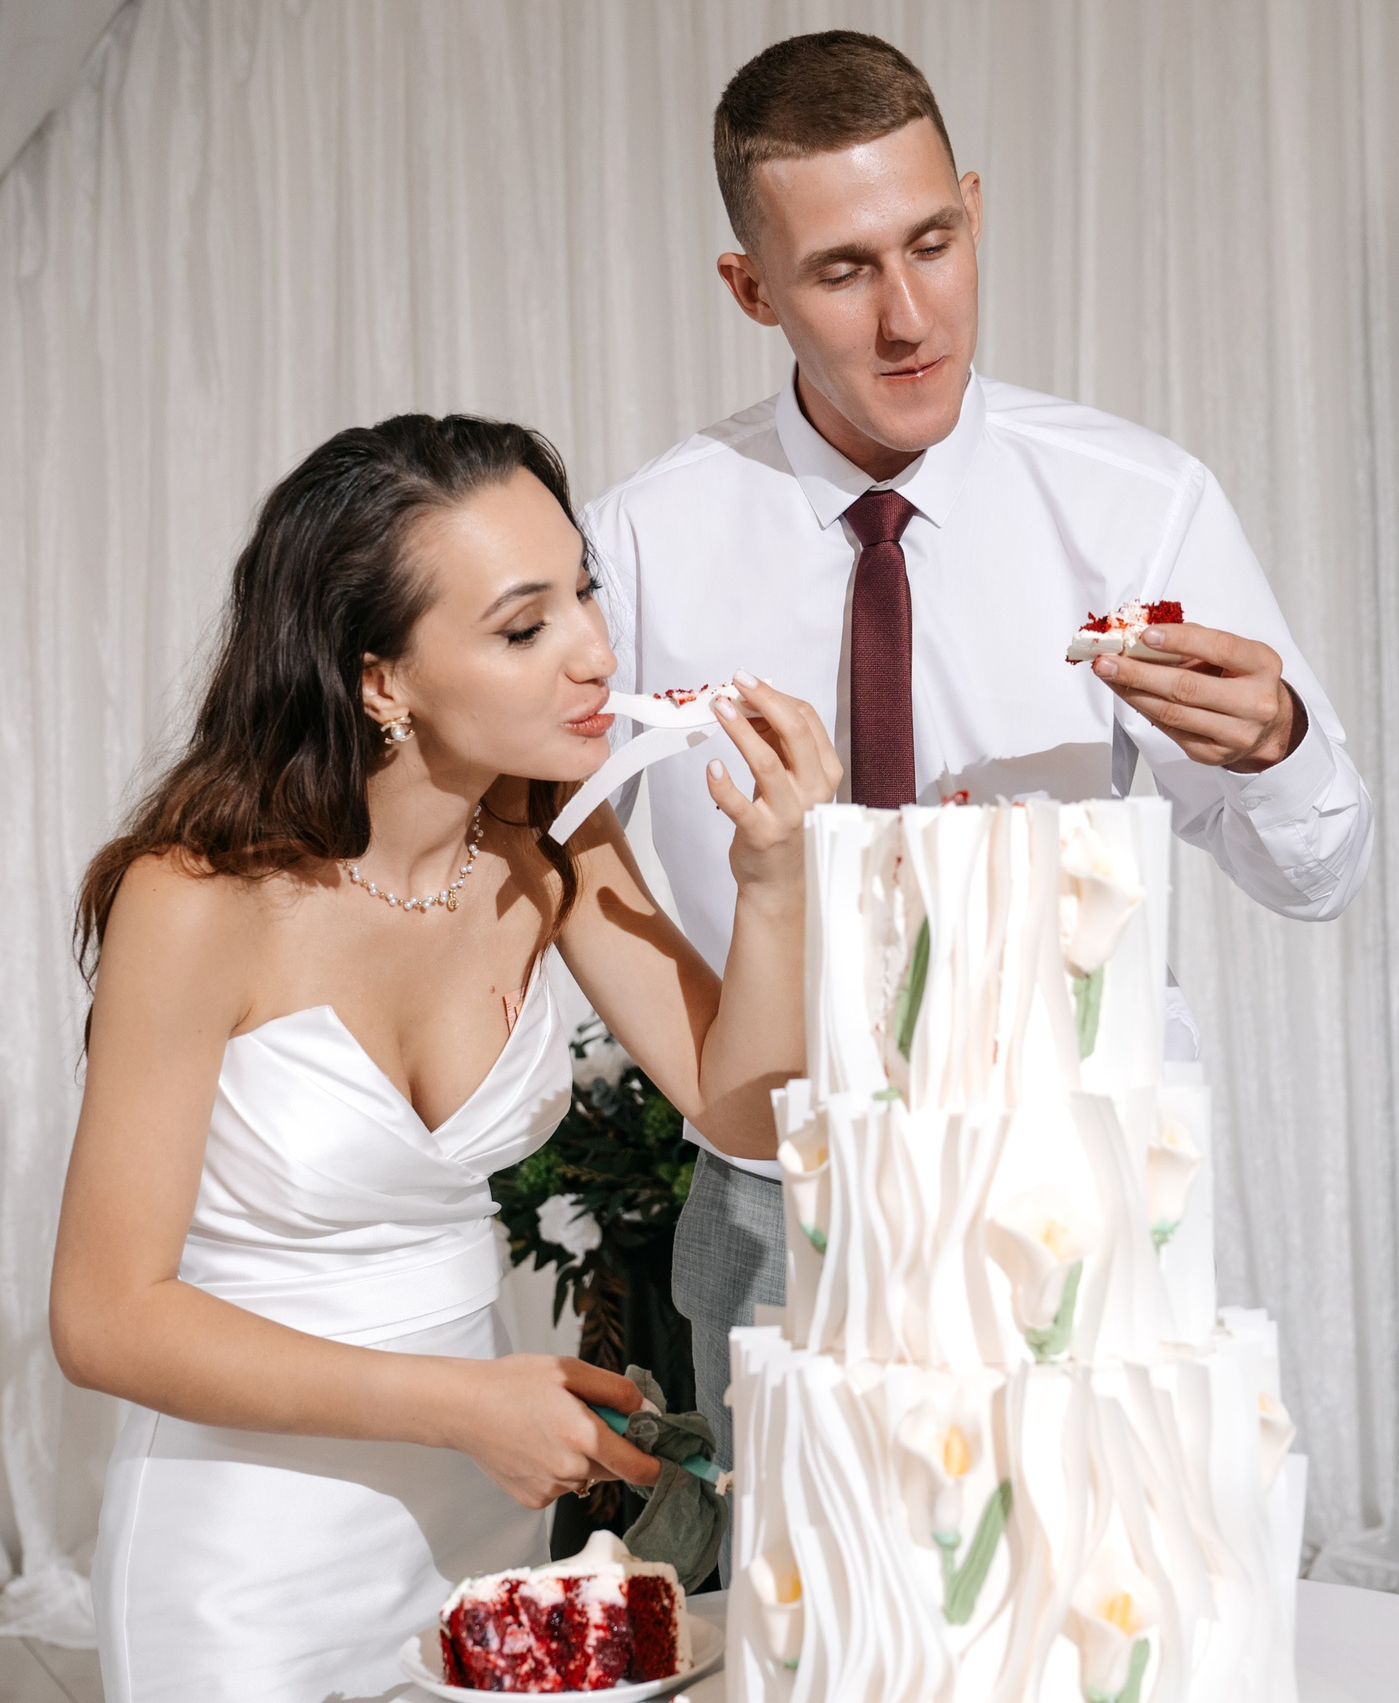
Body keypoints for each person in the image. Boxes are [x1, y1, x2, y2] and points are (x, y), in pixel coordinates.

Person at [584, 31, 1377, 1472]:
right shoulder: (644, 538)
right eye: (843, 271)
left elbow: (1319, 876)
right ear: (751, 289)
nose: (909, 317)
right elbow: (551, 833)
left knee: (1101, 1581)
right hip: (782, 1179)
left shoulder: (1137, 505)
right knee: (799, 1583)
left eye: (933, 244)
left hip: (1075, 1165)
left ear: (975, 210)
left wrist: (1278, 745)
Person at [50, 414, 839, 1701]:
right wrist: (462, 1405)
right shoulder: (194, 901)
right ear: (382, 680)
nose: (596, 651)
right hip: (244, 1552)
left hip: (474, 1520)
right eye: (525, 627)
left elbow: (742, 1114)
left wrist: (774, 885)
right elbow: (104, 1318)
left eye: (584, 589)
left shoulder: (554, 838)